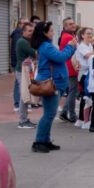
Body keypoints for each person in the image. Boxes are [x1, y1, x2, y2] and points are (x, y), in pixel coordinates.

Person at [30, 21, 77, 153]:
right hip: (51, 84)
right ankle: (39, 141)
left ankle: (46, 140)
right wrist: (70, 46)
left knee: (50, 114)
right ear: (44, 33)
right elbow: (61, 57)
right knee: (49, 114)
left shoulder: (47, 45)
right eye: (51, 30)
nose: (53, 32)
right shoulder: (46, 47)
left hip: (55, 83)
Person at [15, 22, 37, 129]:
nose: (31, 33)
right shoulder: (22, 42)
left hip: (26, 70)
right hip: (22, 71)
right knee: (24, 95)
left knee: (26, 94)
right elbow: (34, 53)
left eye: (33, 31)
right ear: (23, 31)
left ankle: (24, 119)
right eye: (29, 31)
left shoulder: (27, 41)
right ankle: (22, 121)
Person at [58, 17, 79, 123]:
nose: (73, 25)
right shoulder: (68, 37)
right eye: (70, 24)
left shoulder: (68, 36)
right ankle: (72, 114)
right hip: (71, 67)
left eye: (73, 23)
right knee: (72, 91)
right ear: (65, 26)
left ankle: (65, 112)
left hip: (69, 66)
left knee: (72, 91)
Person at [73, 27, 94, 129]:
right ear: (82, 35)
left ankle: (81, 119)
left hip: (89, 73)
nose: (90, 35)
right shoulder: (81, 46)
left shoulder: (90, 45)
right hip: (83, 74)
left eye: (91, 33)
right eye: (88, 33)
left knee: (85, 97)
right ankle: (84, 120)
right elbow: (88, 56)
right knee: (86, 97)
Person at [10, 17, 27, 110]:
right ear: (20, 24)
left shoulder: (19, 34)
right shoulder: (18, 34)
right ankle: (17, 104)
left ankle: (20, 103)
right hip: (18, 62)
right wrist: (15, 63)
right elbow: (17, 50)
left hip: (19, 62)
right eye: (25, 23)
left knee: (20, 82)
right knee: (18, 82)